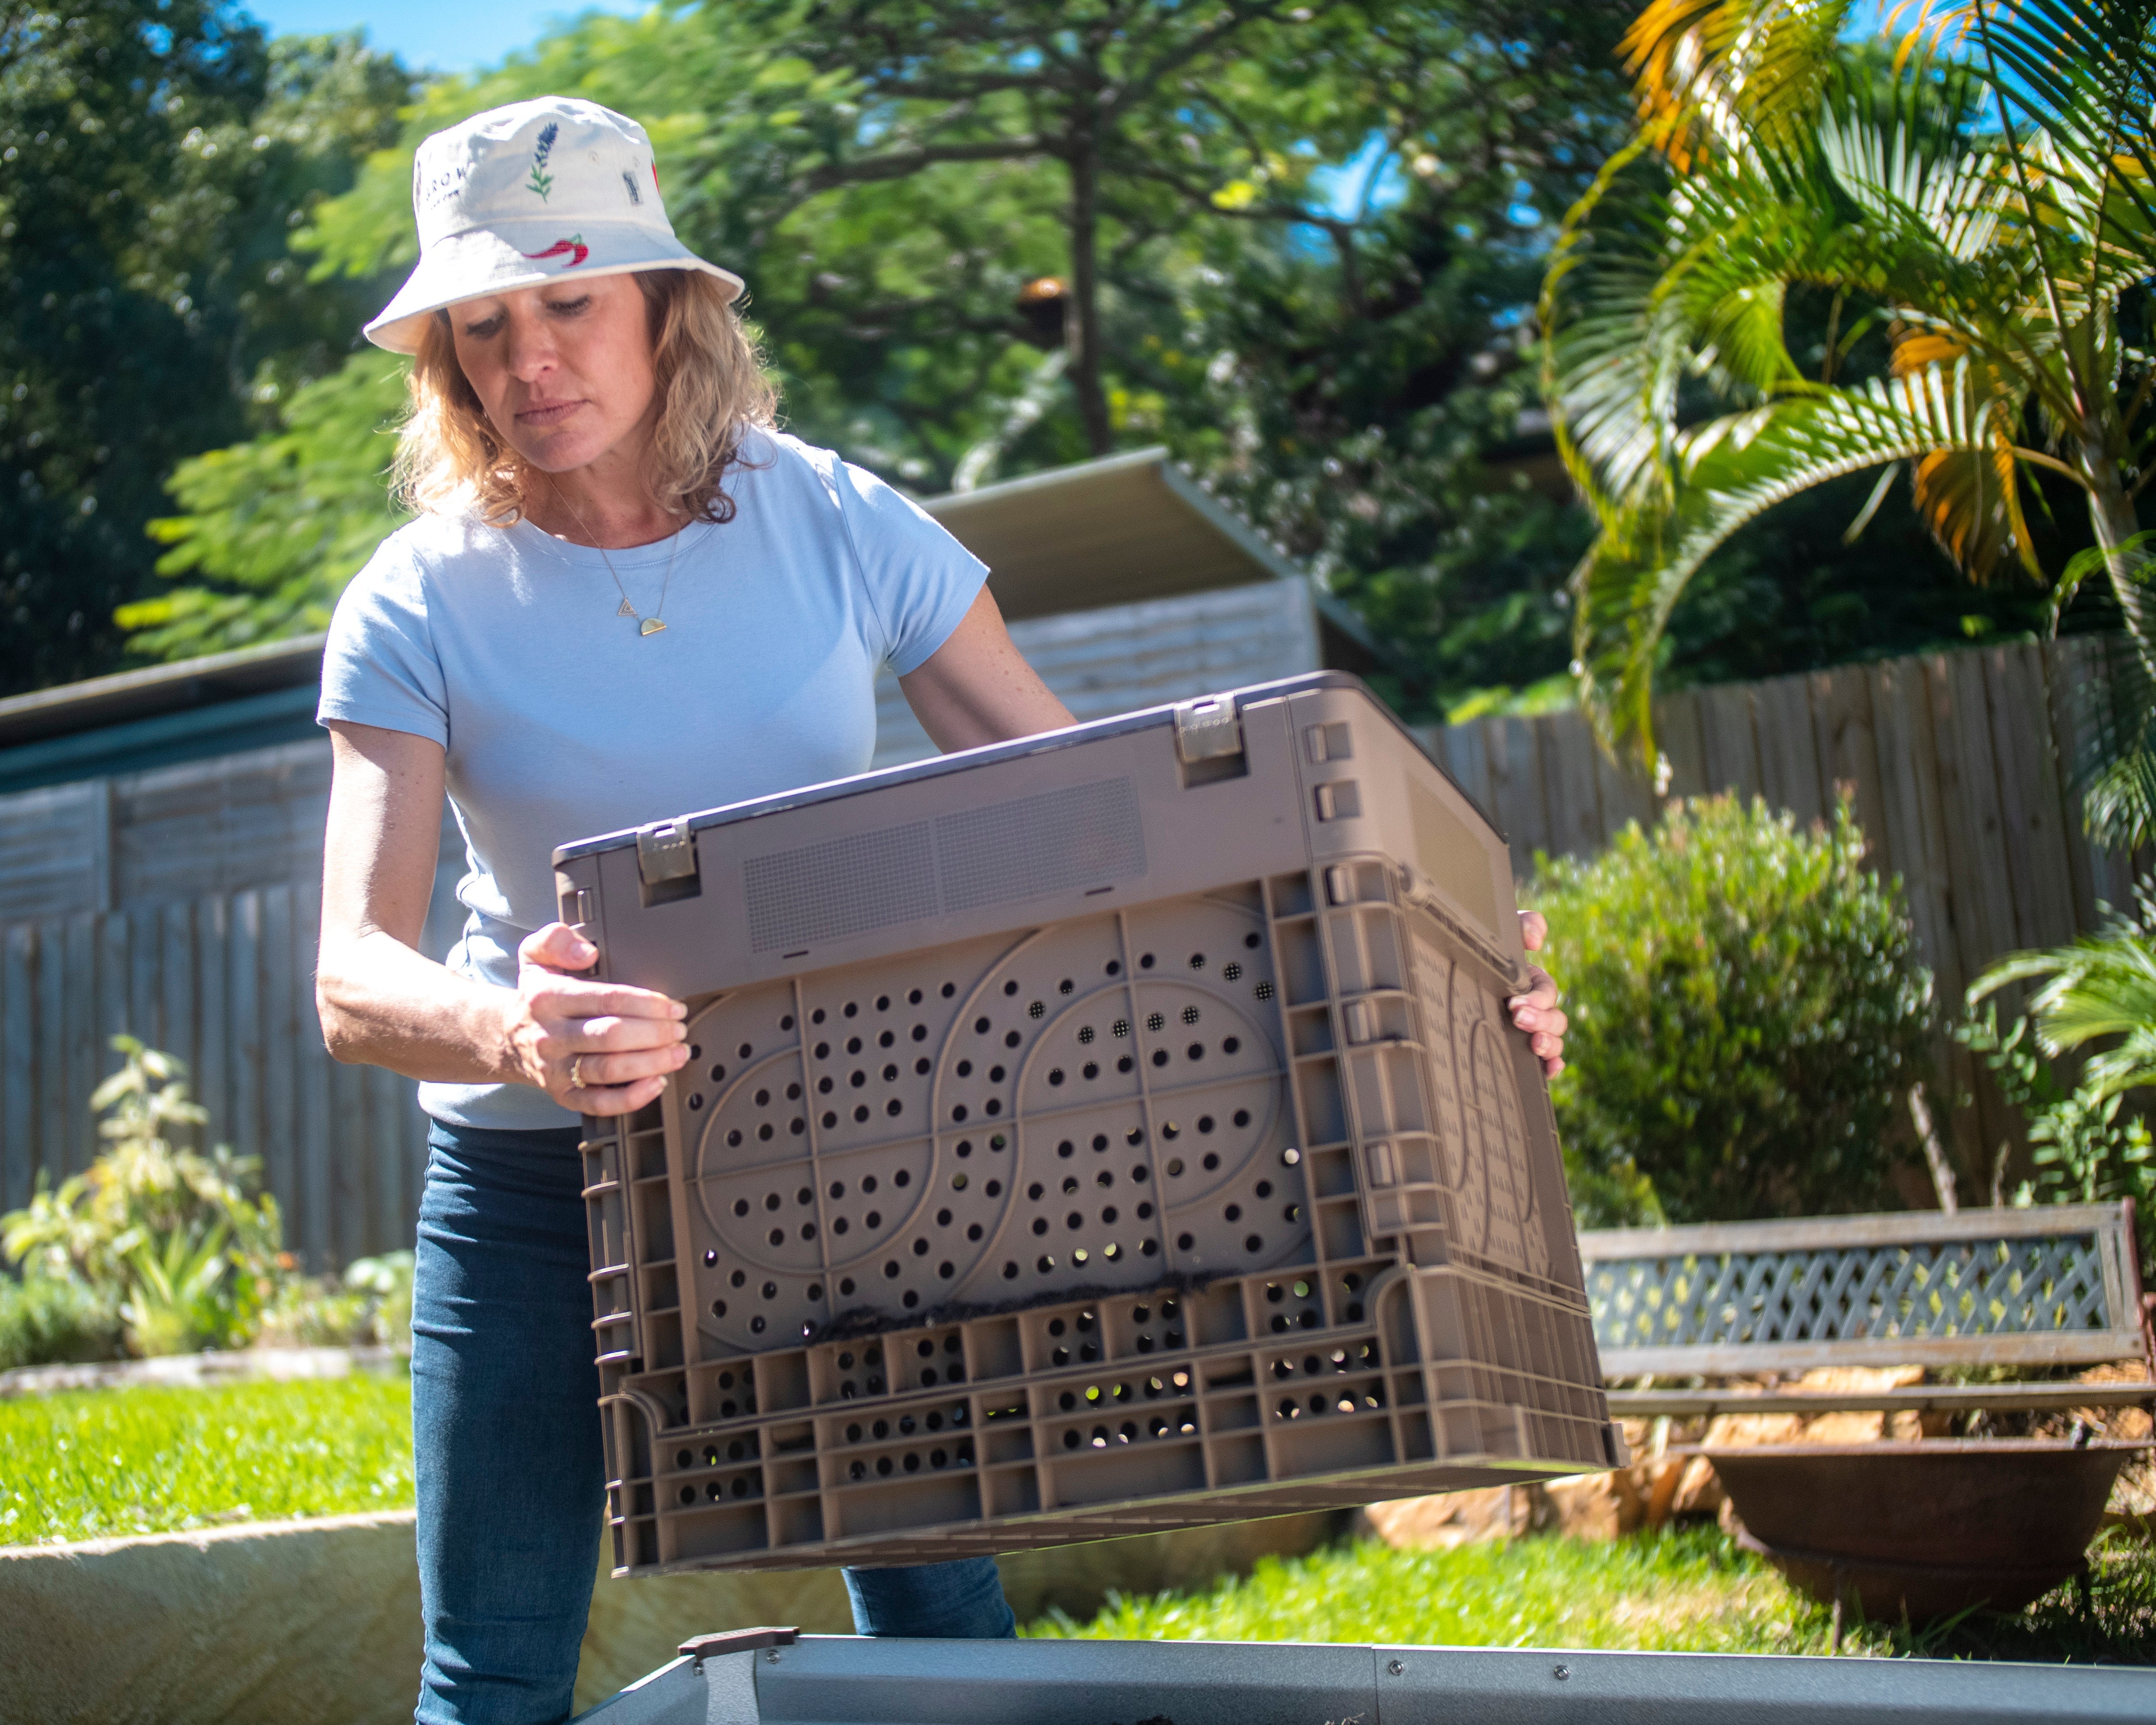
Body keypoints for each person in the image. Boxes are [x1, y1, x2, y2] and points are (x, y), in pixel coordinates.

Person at [313, 96, 1570, 1725]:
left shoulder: (835, 518)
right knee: (490, 1673)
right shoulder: (417, 597)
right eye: (482, 325)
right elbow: (351, 976)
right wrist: (511, 1026)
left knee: (945, 1642)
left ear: (664, 306)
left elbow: (1102, 819)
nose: (528, 358)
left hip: (842, 1165)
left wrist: (1439, 970)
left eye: (568, 301)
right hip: (533, 1190)